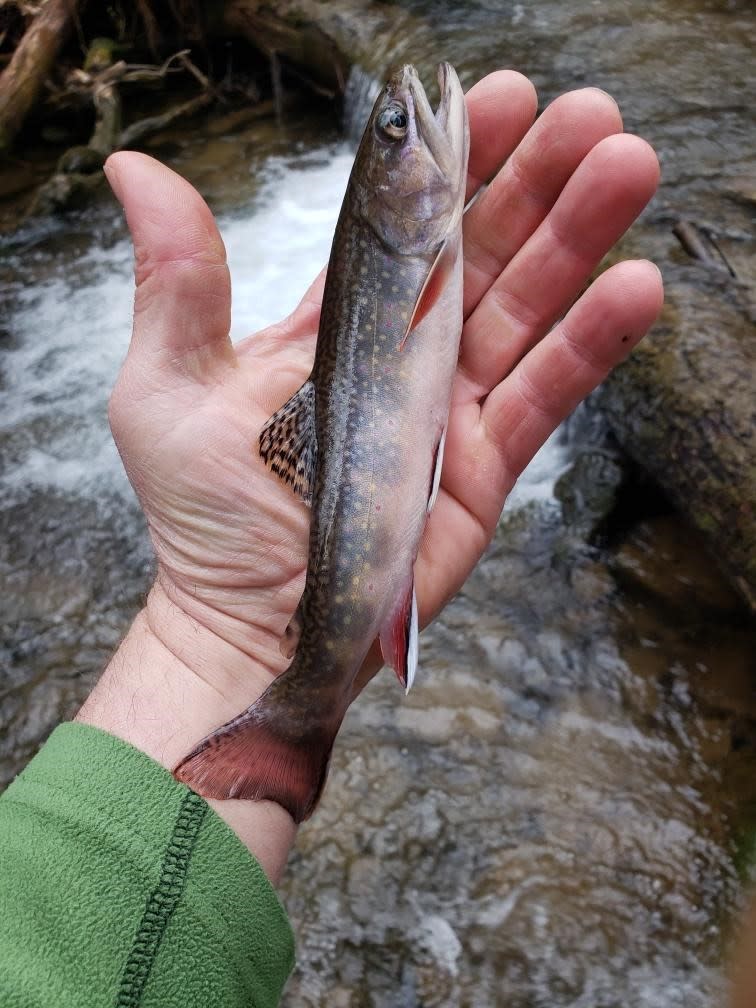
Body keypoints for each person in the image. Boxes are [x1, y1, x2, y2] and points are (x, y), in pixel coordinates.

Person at [0, 71, 663, 1006]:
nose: (415, 123)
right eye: (397, 130)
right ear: (380, 197)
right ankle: (291, 725)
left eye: (399, 126)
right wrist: (224, 631)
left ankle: (287, 723)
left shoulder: (414, 238)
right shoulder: (410, 242)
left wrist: (213, 641)